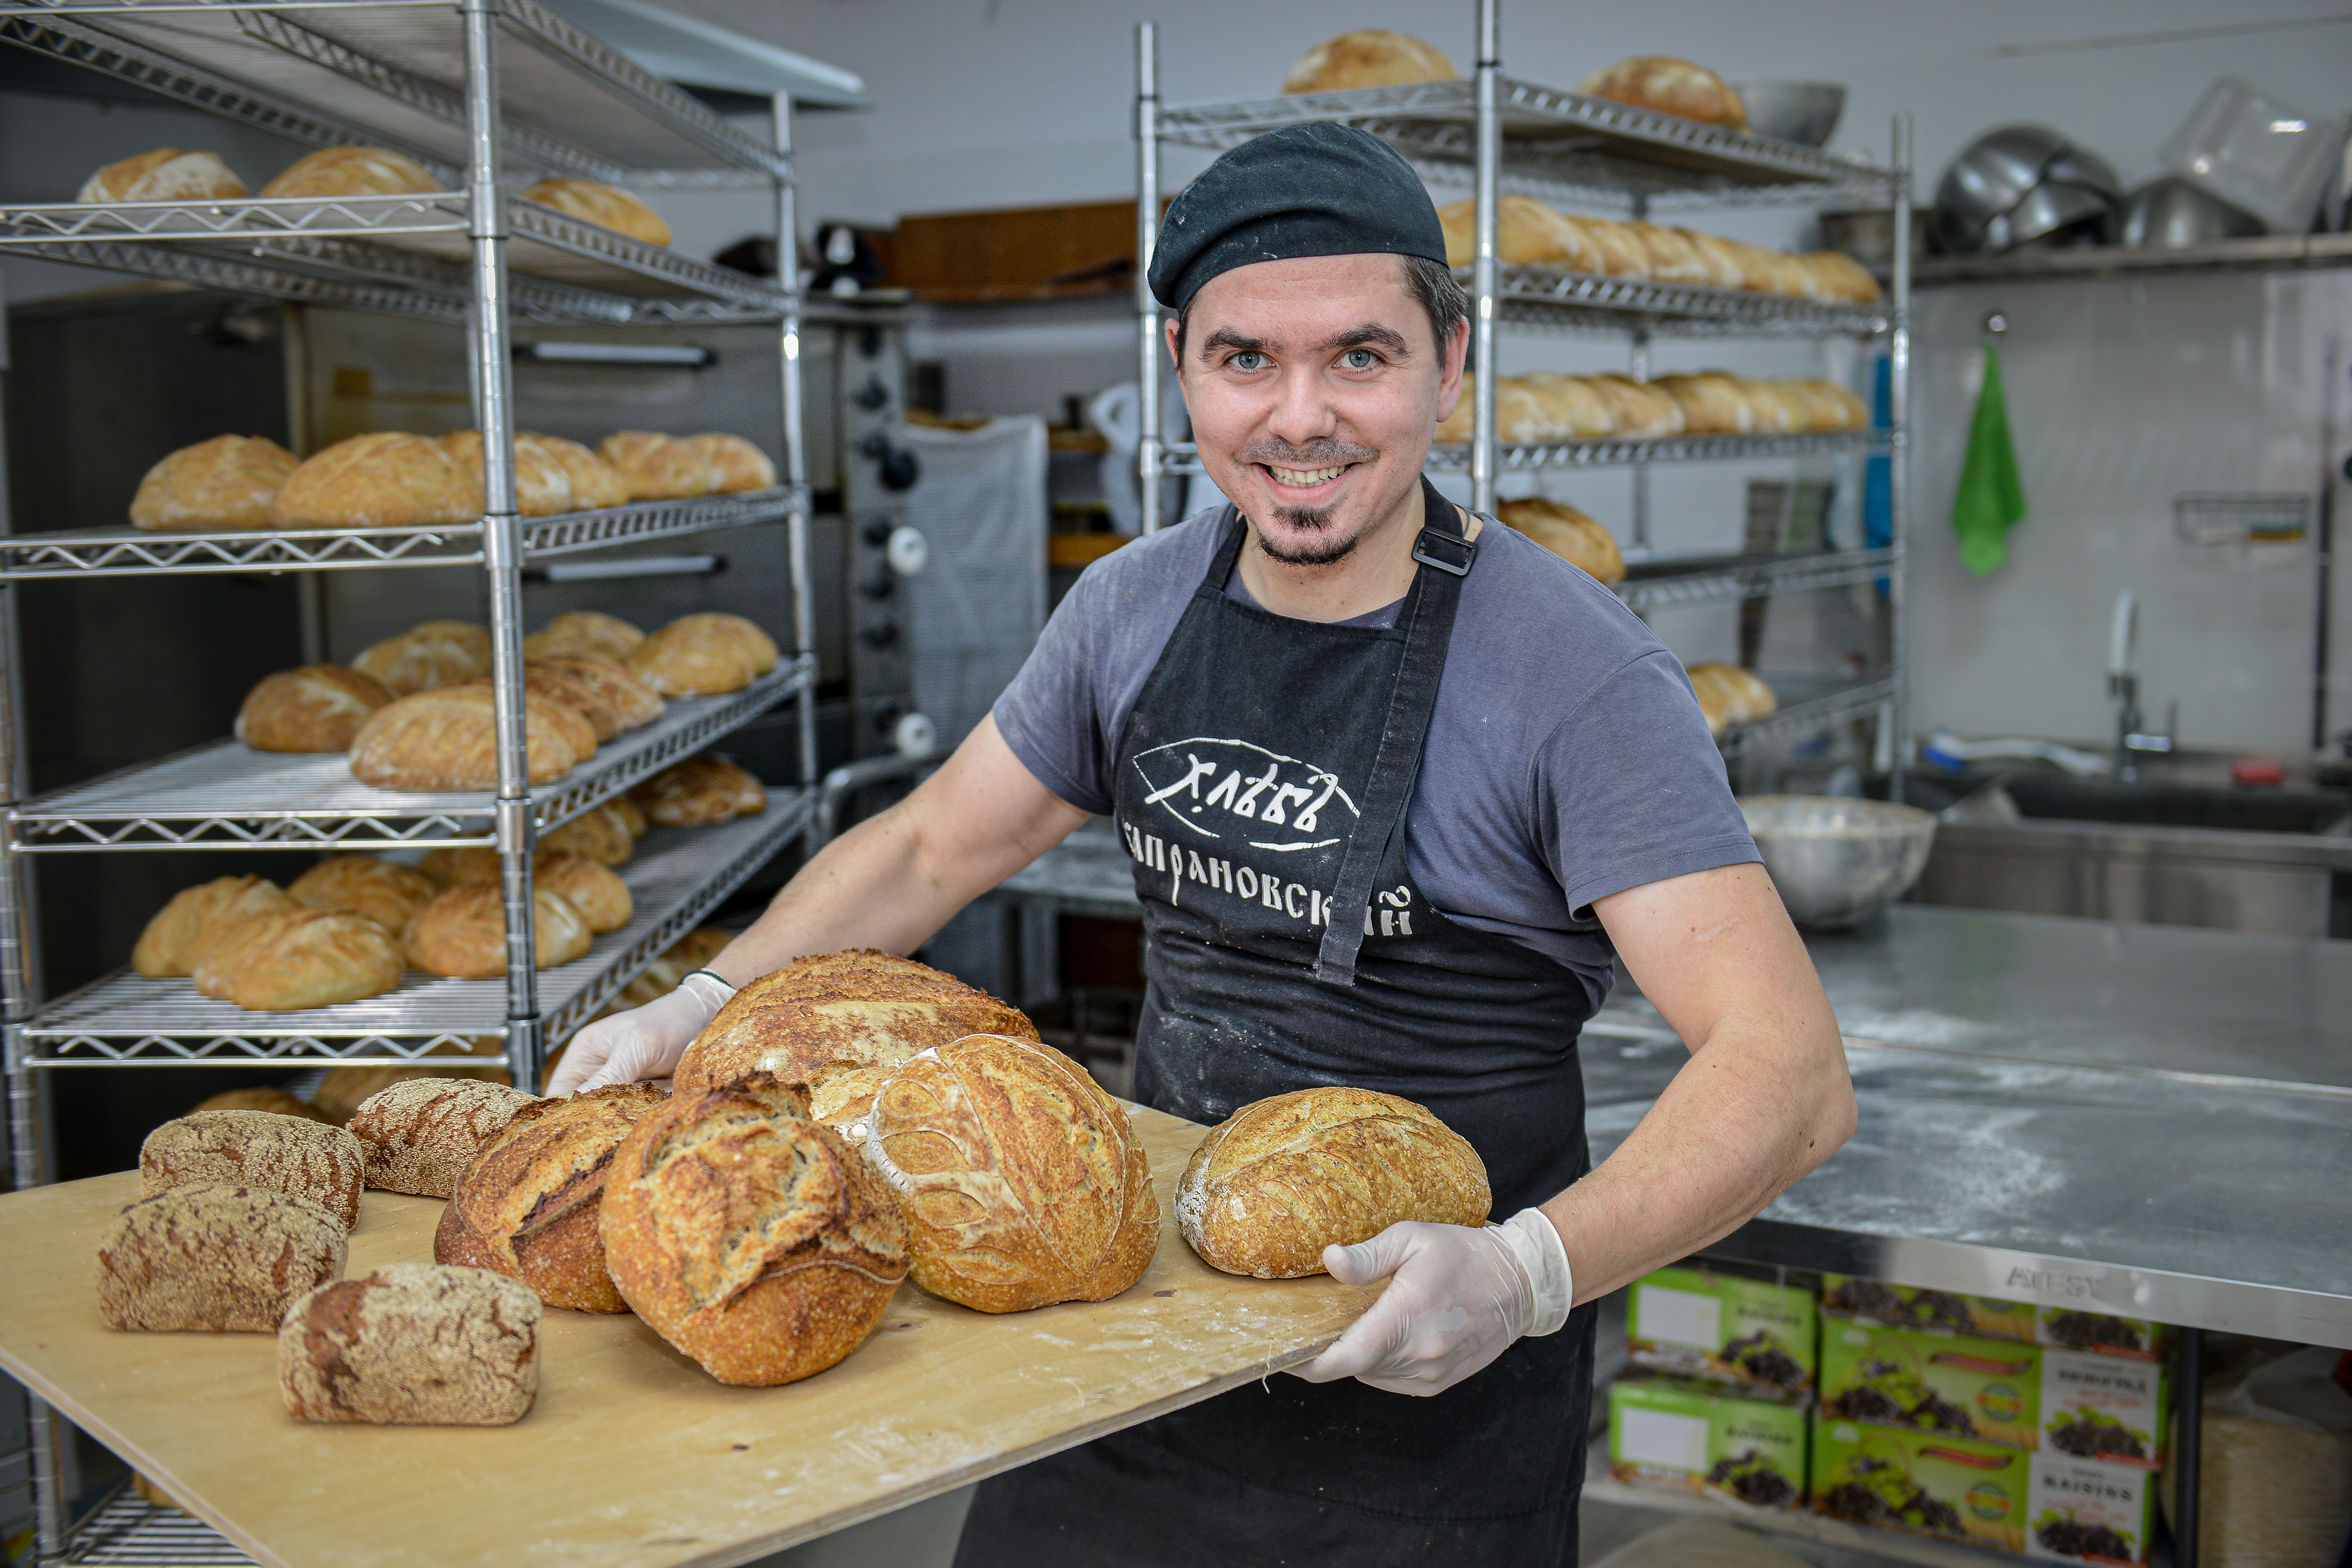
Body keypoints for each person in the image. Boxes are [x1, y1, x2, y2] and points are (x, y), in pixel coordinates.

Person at [552, 122, 1854, 1567]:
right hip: (1135, 1338)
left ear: (1453, 366)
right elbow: (932, 849)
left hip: (1427, 1384)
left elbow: (1787, 1074)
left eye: (1360, 356)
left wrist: (1524, 1273)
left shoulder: (1571, 672)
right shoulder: (1133, 607)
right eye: (1247, 360)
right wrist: (711, 1001)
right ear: (1181, 371)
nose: (1301, 417)